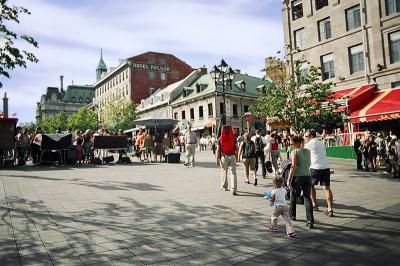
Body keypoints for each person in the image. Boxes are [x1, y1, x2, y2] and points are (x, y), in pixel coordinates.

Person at [305, 130, 334, 217]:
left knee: (311, 186)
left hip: (315, 168)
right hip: (325, 167)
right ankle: (330, 209)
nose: (304, 138)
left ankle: (314, 204)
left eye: (305, 136)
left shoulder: (309, 144)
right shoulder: (321, 143)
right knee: (327, 188)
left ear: (310, 136)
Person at [287, 135, 314, 228]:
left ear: (297, 143)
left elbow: (293, 166)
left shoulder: (294, 151)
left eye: (292, 143)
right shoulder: (308, 151)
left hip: (297, 177)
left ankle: (292, 215)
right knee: (307, 198)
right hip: (307, 176)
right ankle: (310, 221)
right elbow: (309, 163)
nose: (291, 145)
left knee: (293, 196)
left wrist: (289, 178)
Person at [216, 125, 238, 195]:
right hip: (232, 155)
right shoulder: (234, 138)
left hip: (224, 156)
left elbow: (218, 149)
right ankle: (233, 189)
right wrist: (236, 155)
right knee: (233, 173)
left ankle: (225, 186)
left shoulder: (220, 138)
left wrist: (217, 159)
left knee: (224, 171)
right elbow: (236, 147)